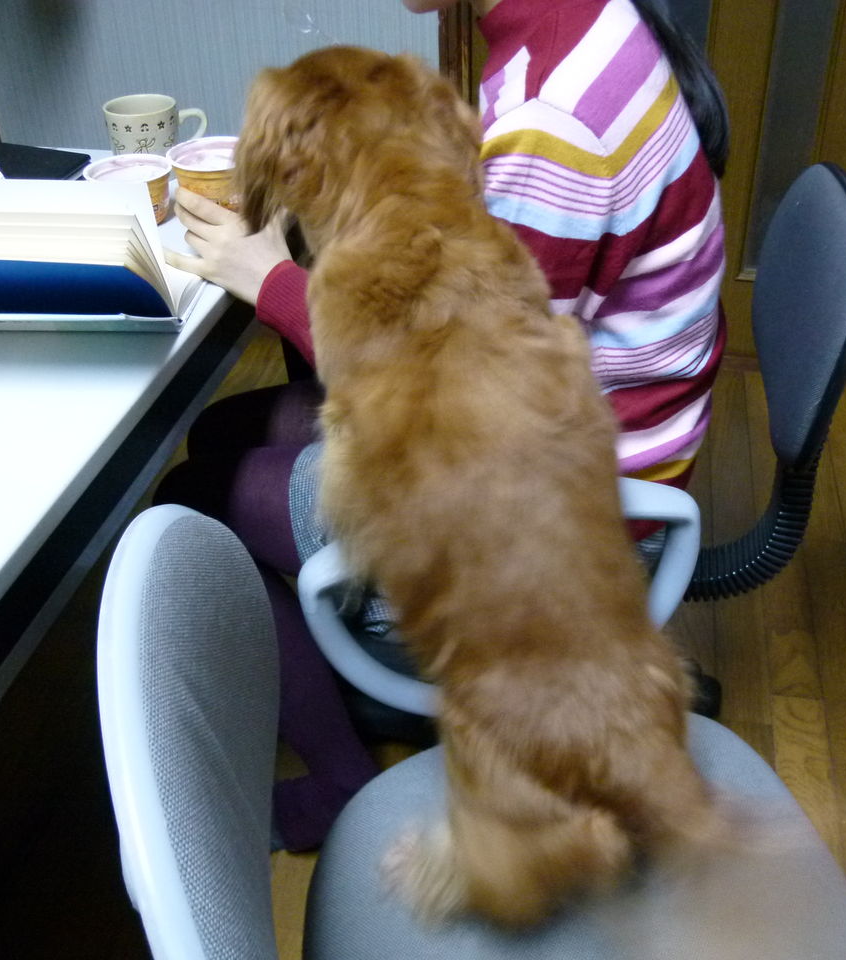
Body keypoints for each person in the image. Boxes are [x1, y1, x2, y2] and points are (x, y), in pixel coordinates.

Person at [155, 0, 729, 851]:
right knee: (227, 432)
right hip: (572, 435)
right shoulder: (574, 25)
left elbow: (459, 394)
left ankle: (339, 782)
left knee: (196, 500)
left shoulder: (553, 120)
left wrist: (274, 281)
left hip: (546, 526)